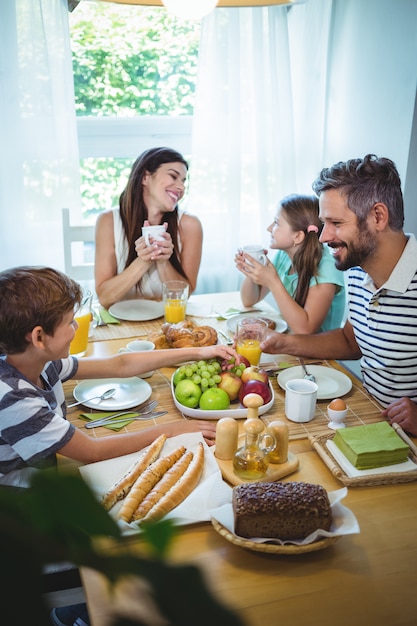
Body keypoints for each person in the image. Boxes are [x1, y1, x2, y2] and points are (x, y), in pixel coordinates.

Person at [0, 266, 237, 489]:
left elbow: (121, 364)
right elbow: (94, 452)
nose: (78, 327)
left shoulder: (38, 361)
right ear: (39, 337)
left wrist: (198, 352)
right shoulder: (14, 400)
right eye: (70, 321)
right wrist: (175, 430)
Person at [260, 154, 417, 436]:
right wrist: (284, 343)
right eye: (323, 223)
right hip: (369, 419)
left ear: (378, 217)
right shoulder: (357, 268)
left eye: (335, 223)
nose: (322, 236)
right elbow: (350, 341)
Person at [95, 147, 203, 309]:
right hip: (122, 323)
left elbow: (184, 296)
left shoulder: (190, 225)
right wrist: (143, 260)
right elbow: (105, 298)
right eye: (173, 176)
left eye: (183, 181)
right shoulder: (108, 221)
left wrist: (163, 261)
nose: (181, 187)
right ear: (145, 178)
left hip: (168, 321)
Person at [235, 194, 346, 333]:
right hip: (292, 344)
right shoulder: (284, 256)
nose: (269, 228)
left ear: (298, 236)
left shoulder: (326, 267)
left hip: (323, 353)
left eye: (276, 222)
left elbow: (305, 330)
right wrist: (252, 270)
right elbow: (249, 300)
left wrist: (273, 282)